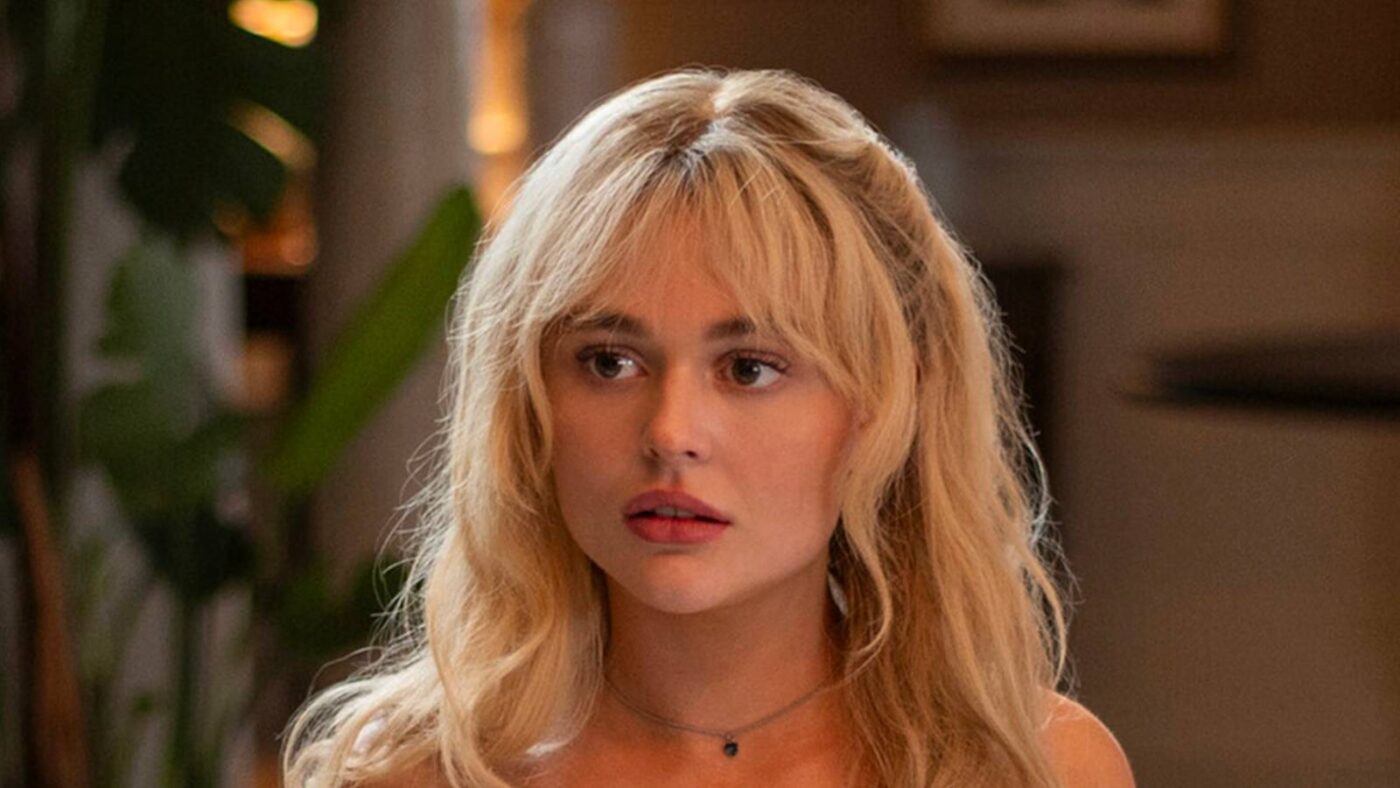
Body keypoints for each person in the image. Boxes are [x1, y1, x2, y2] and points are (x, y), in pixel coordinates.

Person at [283, 67, 1134, 787]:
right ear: (528, 401)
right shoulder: (414, 775)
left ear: (886, 402)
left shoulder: (1033, 767)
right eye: (609, 362)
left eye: (749, 368)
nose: (671, 432)